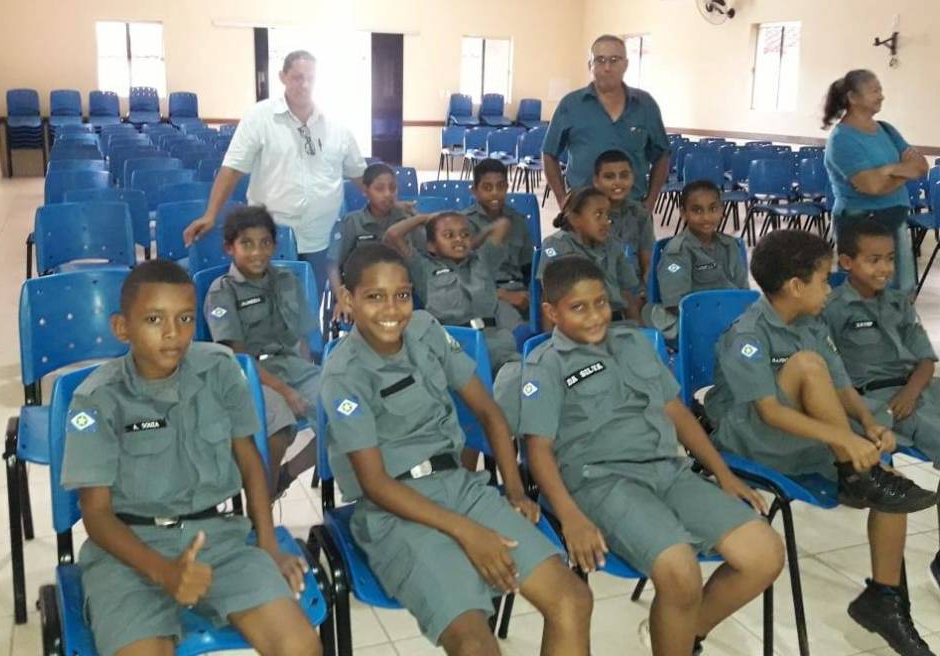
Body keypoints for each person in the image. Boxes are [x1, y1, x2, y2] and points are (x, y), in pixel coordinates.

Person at [321, 243, 593, 655]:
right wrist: (468, 532)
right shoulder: (344, 372)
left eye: (402, 294)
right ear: (347, 299)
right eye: (374, 296)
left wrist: (515, 491)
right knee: (474, 644)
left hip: (461, 487)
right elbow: (374, 484)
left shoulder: (425, 329)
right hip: (395, 510)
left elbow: (489, 412)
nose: (392, 309)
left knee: (572, 600)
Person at [521, 256, 782, 656]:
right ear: (551, 312)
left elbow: (677, 412)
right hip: (602, 482)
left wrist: (723, 473)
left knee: (765, 554)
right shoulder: (546, 366)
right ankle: (673, 636)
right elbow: (537, 450)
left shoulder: (635, 344)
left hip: (667, 471)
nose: (594, 315)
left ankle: (680, 634)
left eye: (600, 302)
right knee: (680, 571)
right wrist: (570, 517)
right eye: (578, 307)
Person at [60, 260, 320, 656]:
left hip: (217, 540)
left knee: (301, 646)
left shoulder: (219, 370)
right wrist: (165, 573)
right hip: (128, 554)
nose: (172, 333)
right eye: (154, 319)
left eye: (184, 318)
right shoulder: (98, 399)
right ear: (121, 327)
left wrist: (267, 542)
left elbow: (249, 459)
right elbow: (95, 514)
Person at [704, 229, 937, 656]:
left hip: (802, 435)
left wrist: (868, 425)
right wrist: (845, 439)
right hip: (751, 439)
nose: (830, 289)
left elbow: (843, 387)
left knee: (888, 482)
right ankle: (854, 471)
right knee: (809, 367)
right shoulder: (748, 334)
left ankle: (884, 599)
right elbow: (769, 412)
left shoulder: (811, 325)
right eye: (824, 280)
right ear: (796, 286)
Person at [182, 50, 366, 294]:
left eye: (310, 78)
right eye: (297, 77)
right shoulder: (260, 117)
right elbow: (232, 168)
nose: (305, 84)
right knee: (270, 304)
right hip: (271, 238)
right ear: (282, 77)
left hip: (321, 236)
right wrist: (210, 214)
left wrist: (391, 205)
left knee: (311, 302)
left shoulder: (336, 126)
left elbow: (359, 175)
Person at [823, 217, 940, 588]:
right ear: (847, 262)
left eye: (890, 258)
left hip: (917, 390)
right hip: (876, 401)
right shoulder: (833, 308)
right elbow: (828, 374)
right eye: (874, 260)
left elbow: (925, 360)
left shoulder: (898, 302)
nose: (885, 268)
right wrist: (900, 399)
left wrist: (912, 391)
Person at [204, 206, 320, 494]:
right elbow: (237, 357)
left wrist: (308, 378)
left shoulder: (287, 280)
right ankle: (263, 502)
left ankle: (286, 475)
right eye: (247, 244)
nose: (257, 252)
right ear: (229, 248)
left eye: (265, 242)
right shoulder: (222, 291)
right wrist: (286, 391)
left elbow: (303, 339)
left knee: (345, 409)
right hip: (248, 375)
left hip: (292, 365)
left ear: (274, 245)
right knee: (278, 421)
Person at [822, 69, 928, 293]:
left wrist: (889, 171)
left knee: (900, 291)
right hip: (861, 224)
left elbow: (921, 166)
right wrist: (902, 172)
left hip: (895, 219)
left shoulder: (886, 130)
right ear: (853, 97)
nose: (881, 96)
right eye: (874, 91)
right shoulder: (842, 139)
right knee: (865, 292)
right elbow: (871, 187)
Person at [543, 34, 671, 212]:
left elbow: (662, 154)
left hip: (632, 211)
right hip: (583, 211)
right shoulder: (570, 105)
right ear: (590, 65)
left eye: (614, 60)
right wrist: (562, 199)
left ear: (625, 64)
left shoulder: (645, 105)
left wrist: (651, 201)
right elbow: (549, 153)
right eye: (600, 60)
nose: (607, 67)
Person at [383, 210, 520, 371]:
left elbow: (502, 225)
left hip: (493, 340)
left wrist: (473, 243)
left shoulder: (482, 259)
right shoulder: (422, 267)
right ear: (431, 245)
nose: (458, 239)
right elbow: (392, 235)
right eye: (448, 235)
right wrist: (425, 218)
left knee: (516, 374)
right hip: (450, 343)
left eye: (465, 234)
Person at [644, 181, 748, 343]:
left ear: (721, 210)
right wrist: (718, 320)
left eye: (713, 209)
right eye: (697, 210)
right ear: (683, 213)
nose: (706, 217)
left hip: (727, 317)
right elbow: (676, 305)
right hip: (689, 320)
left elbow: (744, 293)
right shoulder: (677, 252)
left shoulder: (730, 245)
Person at [537, 186, 641, 323]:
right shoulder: (557, 245)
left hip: (615, 321)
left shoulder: (613, 245)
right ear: (575, 219)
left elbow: (627, 293)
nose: (606, 222)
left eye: (608, 215)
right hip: (577, 324)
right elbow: (549, 297)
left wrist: (640, 329)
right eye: (598, 215)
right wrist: (551, 335)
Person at [327, 163, 413, 323]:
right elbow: (333, 265)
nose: (387, 194)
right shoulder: (352, 222)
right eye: (379, 189)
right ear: (365, 191)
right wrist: (340, 297)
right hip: (362, 292)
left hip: (398, 292)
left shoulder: (405, 221)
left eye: (393, 188)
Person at [463, 158, 534, 329]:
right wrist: (503, 295)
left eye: (501, 186)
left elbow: (528, 268)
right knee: (516, 328)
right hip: (488, 293)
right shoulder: (464, 224)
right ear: (474, 191)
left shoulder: (517, 220)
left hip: (520, 290)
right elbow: (463, 275)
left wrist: (532, 294)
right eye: (487, 188)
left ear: (507, 187)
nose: (495, 193)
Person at [593, 148, 655, 282]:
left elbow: (648, 263)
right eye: (609, 177)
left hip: (634, 285)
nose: (618, 182)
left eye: (624, 176)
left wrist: (646, 289)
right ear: (596, 181)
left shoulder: (640, 214)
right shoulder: (588, 216)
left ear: (633, 178)